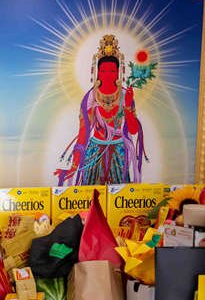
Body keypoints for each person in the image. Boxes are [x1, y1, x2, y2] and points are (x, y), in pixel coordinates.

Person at [58, 34, 145, 186]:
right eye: (104, 71)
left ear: (118, 72)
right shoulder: (91, 97)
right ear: (97, 72)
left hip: (119, 150)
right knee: (90, 194)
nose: (108, 75)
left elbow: (132, 130)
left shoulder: (125, 95)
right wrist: (73, 167)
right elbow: (83, 133)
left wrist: (128, 107)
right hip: (94, 150)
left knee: (119, 193)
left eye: (112, 71)